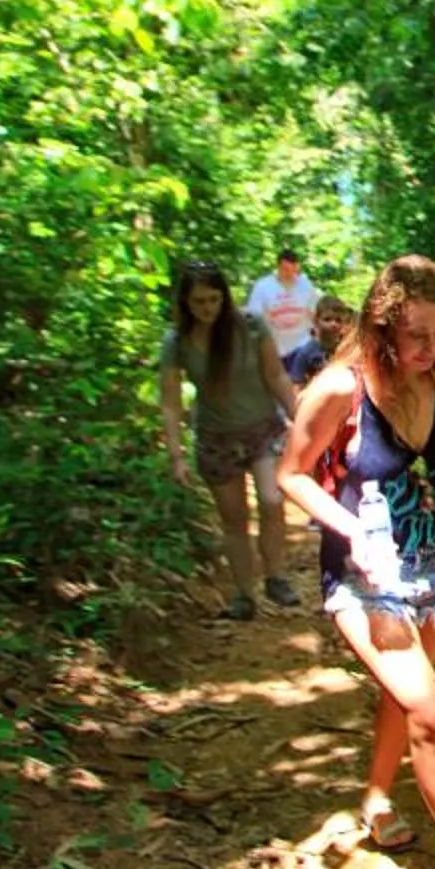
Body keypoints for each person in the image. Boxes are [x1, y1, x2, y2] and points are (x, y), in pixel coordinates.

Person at [278, 255, 435, 869]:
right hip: (362, 578)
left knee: (404, 695)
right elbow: (292, 475)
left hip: (434, 567)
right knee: (430, 710)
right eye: (414, 335)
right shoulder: (337, 390)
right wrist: (352, 531)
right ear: (381, 327)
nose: (428, 349)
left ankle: (377, 797)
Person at [159, 262, 302, 620]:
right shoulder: (176, 341)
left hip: (262, 429)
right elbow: (171, 401)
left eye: (213, 299)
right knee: (233, 518)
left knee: (271, 499)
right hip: (214, 438)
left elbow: (276, 376)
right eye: (198, 301)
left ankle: (276, 576)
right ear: (185, 303)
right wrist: (176, 454)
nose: (207, 308)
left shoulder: (250, 326)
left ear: (224, 297)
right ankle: (243, 594)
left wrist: (301, 418)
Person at [247, 248, 322, 364]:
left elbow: (315, 312)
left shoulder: (306, 285)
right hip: (274, 347)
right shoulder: (263, 287)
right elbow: (253, 317)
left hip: (302, 344)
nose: (289, 273)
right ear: (278, 267)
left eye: (293, 270)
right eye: (285, 269)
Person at [284, 293, 354, 386]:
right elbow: (297, 381)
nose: (333, 324)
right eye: (327, 319)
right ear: (316, 321)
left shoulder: (345, 348)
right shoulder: (307, 351)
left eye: (338, 320)